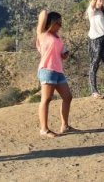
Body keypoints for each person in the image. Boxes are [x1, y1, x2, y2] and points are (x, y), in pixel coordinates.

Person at [36, 9, 75, 138]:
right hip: (47, 70)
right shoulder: (42, 34)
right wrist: (47, 13)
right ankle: (44, 129)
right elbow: (42, 14)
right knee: (46, 99)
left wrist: (65, 54)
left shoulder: (57, 37)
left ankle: (65, 126)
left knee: (67, 97)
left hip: (58, 70)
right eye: (58, 22)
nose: (60, 25)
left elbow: (61, 55)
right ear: (51, 22)